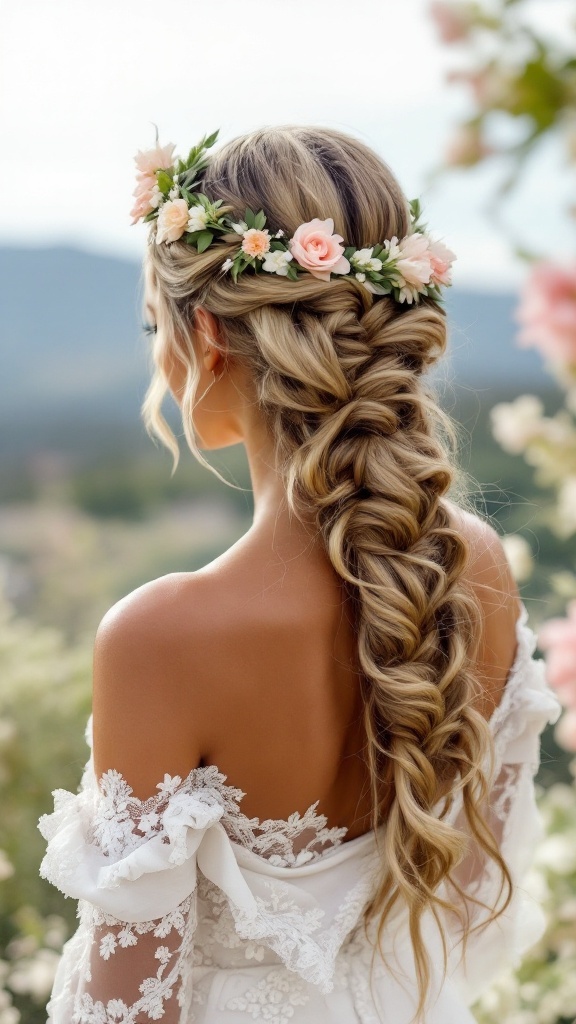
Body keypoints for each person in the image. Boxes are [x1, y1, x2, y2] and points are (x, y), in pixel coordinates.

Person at [38, 125, 561, 1024]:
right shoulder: (468, 563)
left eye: (153, 324)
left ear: (204, 334)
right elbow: (477, 892)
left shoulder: (160, 639)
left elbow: (129, 1011)